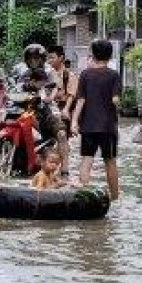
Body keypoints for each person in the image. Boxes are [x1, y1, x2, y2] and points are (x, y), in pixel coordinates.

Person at [71, 39, 122, 200]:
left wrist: (74, 121)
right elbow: (116, 100)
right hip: (108, 126)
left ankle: (83, 196)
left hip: (88, 125)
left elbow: (80, 100)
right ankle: (115, 197)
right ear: (110, 55)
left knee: (87, 159)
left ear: (93, 54)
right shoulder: (114, 75)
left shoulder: (85, 74)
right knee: (110, 161)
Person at [45, 45, 78, 175]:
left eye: (52, 57)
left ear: (61, 58)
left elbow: (71, 95)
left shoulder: (69, 75)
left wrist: (65, 110)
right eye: (49, 58)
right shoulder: (51, 74)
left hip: (64, 110)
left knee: (62, 136)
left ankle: (64, 170)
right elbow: (51, 91)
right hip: (52, 109)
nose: (50, 60)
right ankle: (54, 167)